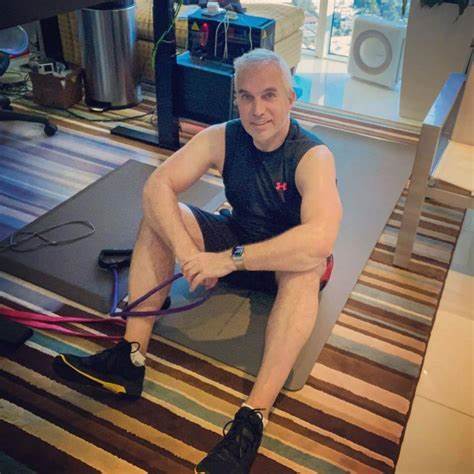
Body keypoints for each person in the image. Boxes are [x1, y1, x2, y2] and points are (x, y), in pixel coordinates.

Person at [53, 48, 342, 473]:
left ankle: (253, 417)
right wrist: (189, 255)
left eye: (269, 95)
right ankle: (130, 356)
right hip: (235, 238)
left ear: (290, 98)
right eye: (246, 97)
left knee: (306, 267)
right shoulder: (222, 137)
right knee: (159, 217)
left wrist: (228, 261)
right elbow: (157, 187)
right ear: (236, 99)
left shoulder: (313, 157)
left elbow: (319, 239)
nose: (257, 110)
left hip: (283, 260)